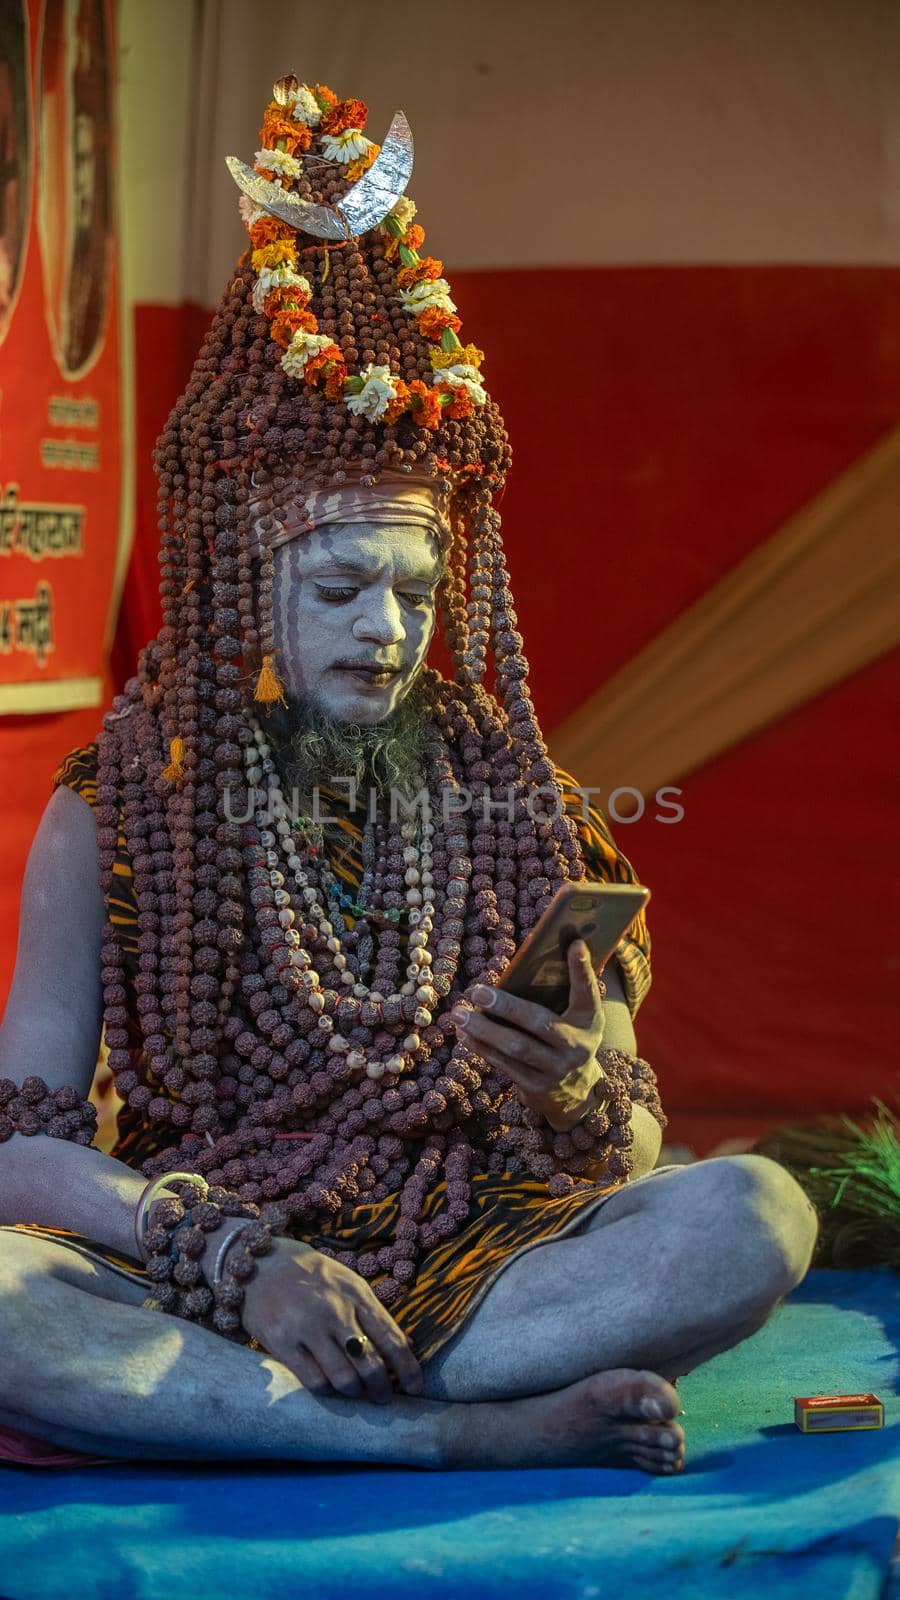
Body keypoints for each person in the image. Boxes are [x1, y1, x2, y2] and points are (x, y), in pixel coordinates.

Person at [0, 74, 817, 1474]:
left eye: (413, 592)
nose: (384, 634)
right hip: (218, 1273)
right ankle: (443, 1438)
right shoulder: (120, 807)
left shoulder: (527, 811)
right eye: (337, 590)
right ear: (246, 584)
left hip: (480, 1255)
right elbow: (20, 1152)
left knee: (755, 1216)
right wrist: (228, 1249)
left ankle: (304, 1418)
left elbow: (624, 1159)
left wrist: (571, 1088)